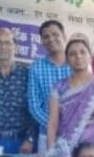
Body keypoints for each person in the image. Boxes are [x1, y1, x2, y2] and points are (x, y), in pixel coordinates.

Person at [47, 37, 94, 157]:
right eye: (73, 54)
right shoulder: (58, 87)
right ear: (67, 60)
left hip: (93, 153)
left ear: (90, 57)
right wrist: (50, 152)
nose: (78, 57)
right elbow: (53, 123)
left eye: (82, 52)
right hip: (65, 151)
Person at [0, 28, 36, 154]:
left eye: (7, 43)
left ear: (15, 46)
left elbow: (34, 111)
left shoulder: (27, 75)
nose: (3, 47)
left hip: (21, 143)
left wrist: (30, 139)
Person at [28, 20, 72, 149]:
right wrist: (54, 126)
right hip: (46, 135)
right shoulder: (36, 67)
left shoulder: (77, 64)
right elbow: (34, 106)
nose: (51, 39)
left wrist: (72, 125)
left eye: (55, 34)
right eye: (46, 37)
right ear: (42, 41)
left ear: (64, 36)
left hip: (75, 133)